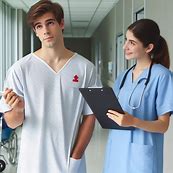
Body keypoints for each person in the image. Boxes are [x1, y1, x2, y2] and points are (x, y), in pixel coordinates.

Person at [0, 0, 100, 173]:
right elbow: (12, 122)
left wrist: (75, 158)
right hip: (33, 162)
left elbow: (91, 116)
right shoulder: (20, 69)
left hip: (70, 161)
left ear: (61, 24)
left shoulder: (86, 68)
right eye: (39, 26)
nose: (45, 30)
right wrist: (18, 109)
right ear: (35, 31)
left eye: (50, 23)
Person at [103, 19, 173, 173]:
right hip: (116, 149)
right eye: (126, 40)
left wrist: (133, 121)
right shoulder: (123, 76)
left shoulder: (162, 76)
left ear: (149, 47)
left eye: (132, 43)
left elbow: (163, 125)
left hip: (141, 154)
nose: (125, 46)